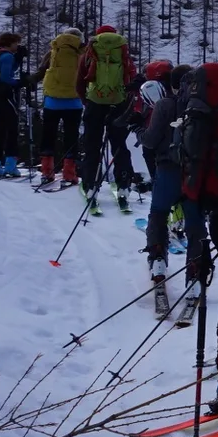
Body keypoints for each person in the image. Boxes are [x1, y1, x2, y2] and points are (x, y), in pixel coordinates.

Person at [140, 63, 193, 307]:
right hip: (195, 173)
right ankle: (197, 269)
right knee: (195, 221)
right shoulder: (202, 107)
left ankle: (158, 258)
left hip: (168, 168)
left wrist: (141, 132)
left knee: (158, 214)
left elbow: (150, 142)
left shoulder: (164, 105)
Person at [76, 25, 138, 209]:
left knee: (92, 145)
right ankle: (124, 185)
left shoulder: (89, 53)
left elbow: (80, 82)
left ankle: (89, 185)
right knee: (119, 145)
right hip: (118, 104)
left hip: (95, 103)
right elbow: (132, 79)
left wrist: (87, 102)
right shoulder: (123, 54)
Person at [36, 28, 85, 188]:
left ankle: (46, 172)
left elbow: (41, 71)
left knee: (48, 135)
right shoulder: (82, 52)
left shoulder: (54, 50)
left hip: (52, 101)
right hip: (74, 101)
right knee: (71, 136)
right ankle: (69, 174)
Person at [0, 33, 27, 178]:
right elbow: (6, 78)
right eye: (16, 43)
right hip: (5, 97)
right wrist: (20, 82)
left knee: (0, 131)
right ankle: (10, 165)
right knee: (12, 130)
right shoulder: (7, 56)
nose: (17, 45)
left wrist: (18, 60)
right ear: (10, 43)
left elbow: (4, 71)